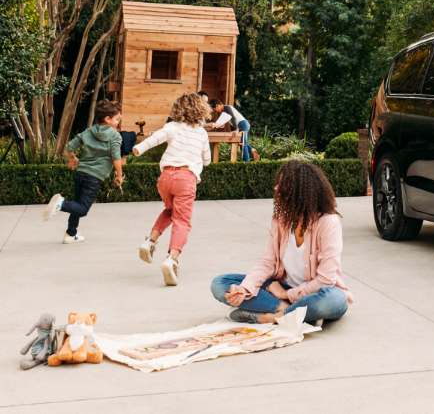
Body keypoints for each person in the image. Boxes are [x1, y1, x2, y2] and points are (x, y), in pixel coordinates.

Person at [210, 161, 352, 324]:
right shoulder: (281, 219)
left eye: (283, 185)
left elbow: (326, 281)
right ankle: (292, 312)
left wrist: (285, 295)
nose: (276, 188)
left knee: (335, 300)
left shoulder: (328, 223)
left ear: (301, 192)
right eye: (277, 183)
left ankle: (270, 317)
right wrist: (244, 289)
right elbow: (268, 262)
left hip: (315, 294)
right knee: (220, 284)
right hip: (280, 289)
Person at [132, 94, 212, 286]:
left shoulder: (173, 126)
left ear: (178, 109)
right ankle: (172, 259)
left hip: (166, 178)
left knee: (170, 211)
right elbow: (207, 160)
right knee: (182, 221)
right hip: (185, 178)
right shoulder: (201, 133)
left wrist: (139, 149)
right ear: (201, 110)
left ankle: (150, 241)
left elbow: (155, 138)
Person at [43, 100, 128, 244]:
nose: (118, 122)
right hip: (94, 177)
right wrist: (119, 175)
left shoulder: (89, 132)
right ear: (107, 119)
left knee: (77, 204)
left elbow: (68, 148)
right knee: (82, 209)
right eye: (117, 119)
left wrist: (72, 158)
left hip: (81, 173)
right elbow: (116, 157)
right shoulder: (115, 136)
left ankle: (71, 234)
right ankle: (61, 204)